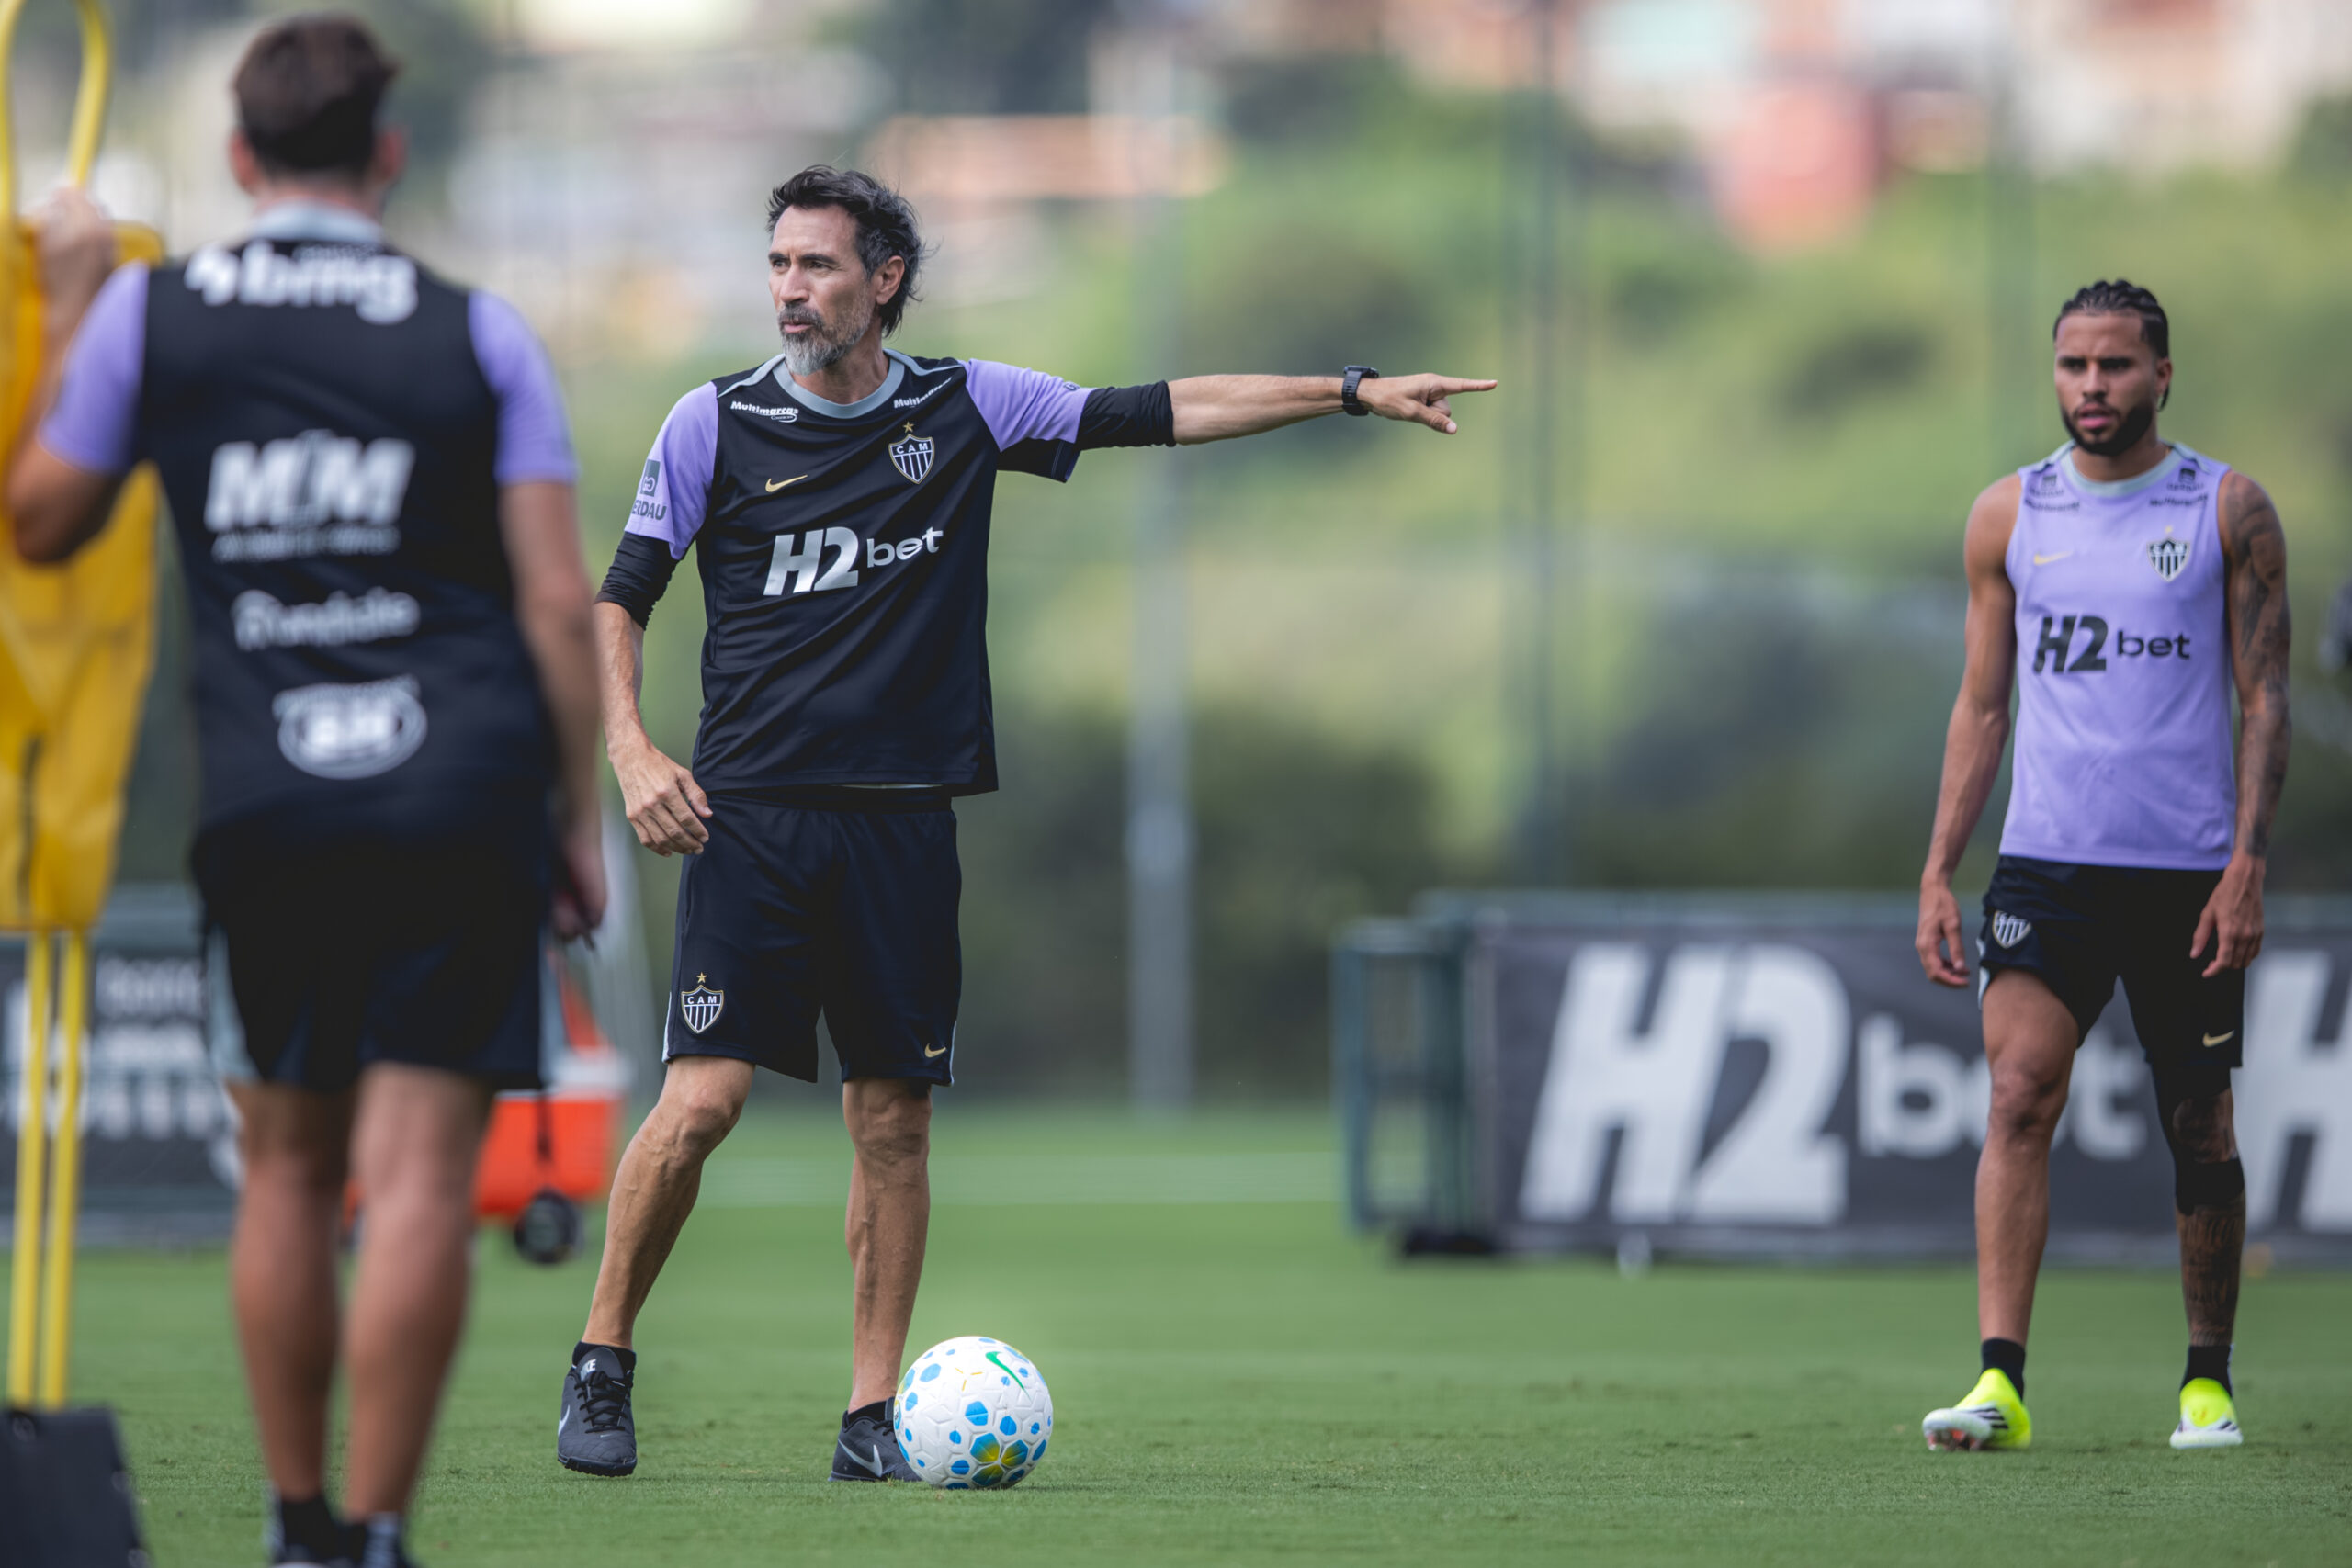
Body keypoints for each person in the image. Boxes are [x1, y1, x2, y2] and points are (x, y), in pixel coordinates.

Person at [559, 164, 1493, 1482]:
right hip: (752, 821)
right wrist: (630, 746)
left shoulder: (964, 404)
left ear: (884, 279)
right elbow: (620, 596)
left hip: (903, 827)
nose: (790, 290)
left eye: (817, 266)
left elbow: (1162, 409)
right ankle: (602, 1357)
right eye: (778, 264)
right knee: (701, 1100)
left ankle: (869, 1413)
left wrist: (1348, 390)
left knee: (893, 1125)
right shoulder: (712, 421)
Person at [6, 16, 605, 1564]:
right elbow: (554, 602)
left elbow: (42, 521)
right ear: (388, 158)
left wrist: (74, 308)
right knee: (416, 1176)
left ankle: (295, 1530)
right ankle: (383, 1529)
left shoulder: (154, 313)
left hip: (268, 795)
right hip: (460, 781)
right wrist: (576, 816)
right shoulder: (481, 330)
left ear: (236, 158)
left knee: (286, 1164)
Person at [1913, 279, 2288, 1453]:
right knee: (2019, 1092)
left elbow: (2265, 697)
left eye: (2115, 366)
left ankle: (2206, 1383)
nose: (2091, 387)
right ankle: (1998, 1384)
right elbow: (1982, 707)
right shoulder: (2006, 515)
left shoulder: (2228, 508)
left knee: (2200, 1124)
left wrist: (2245, 864)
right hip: (2045, 869)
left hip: (2184, 877)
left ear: (2160, 375)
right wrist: (1937, 869)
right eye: (2073, 366)